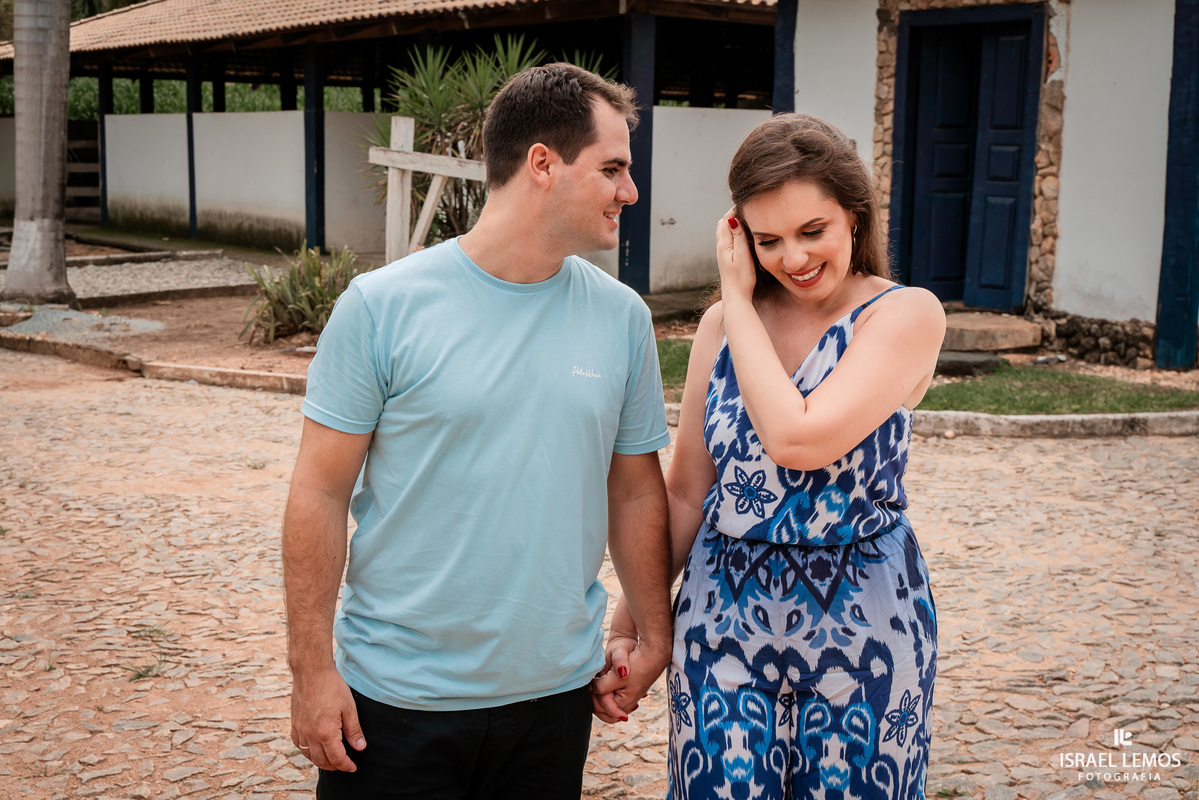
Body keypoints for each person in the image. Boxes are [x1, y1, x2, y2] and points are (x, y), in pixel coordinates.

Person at [282, 63, 674, 799]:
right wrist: (312, 671)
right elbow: (319, 494)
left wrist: (655, 633)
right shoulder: (380, 308)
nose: (630, 191)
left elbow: (633, 492)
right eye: (613, 168)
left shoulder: (623, 319)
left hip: (553, 702)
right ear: (542, 165)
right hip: (394, 705)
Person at [596, 114, 945, 798]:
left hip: (867, 625)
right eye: (768, 240)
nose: (793, 259)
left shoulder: (904, 315)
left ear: (853, 216)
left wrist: (734, 299)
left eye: (812, 231)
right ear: (742, 237)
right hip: (720, 619)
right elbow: (689, 491)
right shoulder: (722, 327)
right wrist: (632, 621)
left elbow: (800, 438)